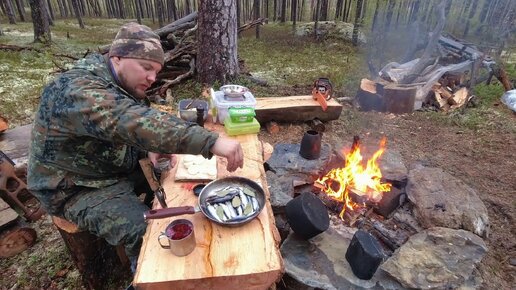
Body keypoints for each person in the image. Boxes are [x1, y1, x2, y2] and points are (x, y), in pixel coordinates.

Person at [27, 22, 244, 272]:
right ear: (117, 58)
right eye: (146, 67)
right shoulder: (75, 89)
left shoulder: (118, 83)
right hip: (74, 188)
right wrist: (212, 141)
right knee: (147, 233)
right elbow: (129, 120)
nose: (153, 78)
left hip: (107, 166)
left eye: (156, 70)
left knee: (174, 178)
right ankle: (145, 276)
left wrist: (146, 150)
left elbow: (122, 128)